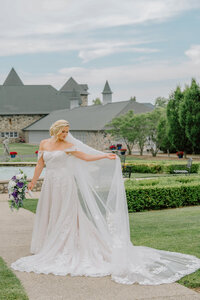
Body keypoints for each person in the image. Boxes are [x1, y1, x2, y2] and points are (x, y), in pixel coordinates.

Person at [11, 120, 200, 285]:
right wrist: (33, 181)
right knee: (51, 211)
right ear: (55, 130)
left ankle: (67, 244)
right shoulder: (44, 143)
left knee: (67, 213)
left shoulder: (68, 145)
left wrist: (104, 155)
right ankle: (48, 243)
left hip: (66, 183)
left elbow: (85, 157)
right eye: (63, 131)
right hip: (51, 183)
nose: (66, 134)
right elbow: (40, 164)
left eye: (67, 131)